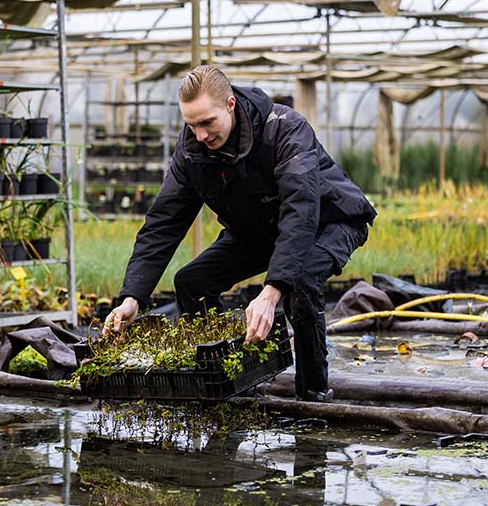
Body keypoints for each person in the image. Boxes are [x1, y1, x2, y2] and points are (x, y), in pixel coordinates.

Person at [103, 65, 376, 402]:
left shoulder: (284, 129)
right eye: (191, 124)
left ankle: (313, 395)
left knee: (301, 281)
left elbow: (301, 208)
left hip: (330, 220)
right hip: (260, 228)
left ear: (230, 104)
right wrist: (133, 296)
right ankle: (222, 377)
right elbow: (163, 222)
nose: (200, 135)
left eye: (207, 123)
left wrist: (272, 290)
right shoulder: (192, 151)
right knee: (192, 282)